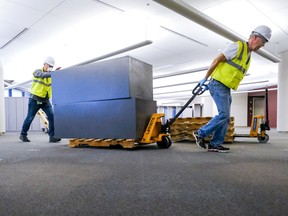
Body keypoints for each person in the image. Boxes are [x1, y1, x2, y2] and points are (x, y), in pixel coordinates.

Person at [193, 25, 272, 153]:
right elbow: (216, 60)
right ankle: (200, 133)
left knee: (226, 117)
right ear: (256, 37)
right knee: (223, 114)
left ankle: (215, 144)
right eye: (262, 42)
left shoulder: (248, 55)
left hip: (225, 87)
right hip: (218, 84)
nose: (262, 46)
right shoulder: (237, 46)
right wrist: (206, 78)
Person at [19, 56, 61, 143]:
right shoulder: (37, 71)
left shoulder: (50, 74)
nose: (50, 67)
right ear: (44, 64)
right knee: (30, 117)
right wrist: (53, 73)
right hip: (35, 99)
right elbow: (41, 75)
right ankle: (23, 135)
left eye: (51, 66)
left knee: (52, 116)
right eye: (49, 65)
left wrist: (56, 73)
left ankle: (52, 136)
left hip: (45, 100)